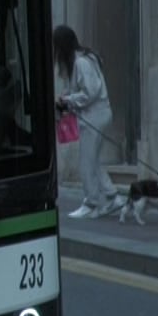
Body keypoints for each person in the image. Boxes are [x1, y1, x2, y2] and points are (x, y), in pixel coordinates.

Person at [54, 25, 121, 219]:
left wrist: (67, 100)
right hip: (96, 113)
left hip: (95, 115)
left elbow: (90, 92)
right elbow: (83, 89)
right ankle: (111, 195)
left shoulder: (81, 62)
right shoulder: (82, 60)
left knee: (86, 161)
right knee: (93, 160)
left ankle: (91, 202)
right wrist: (67, 96)